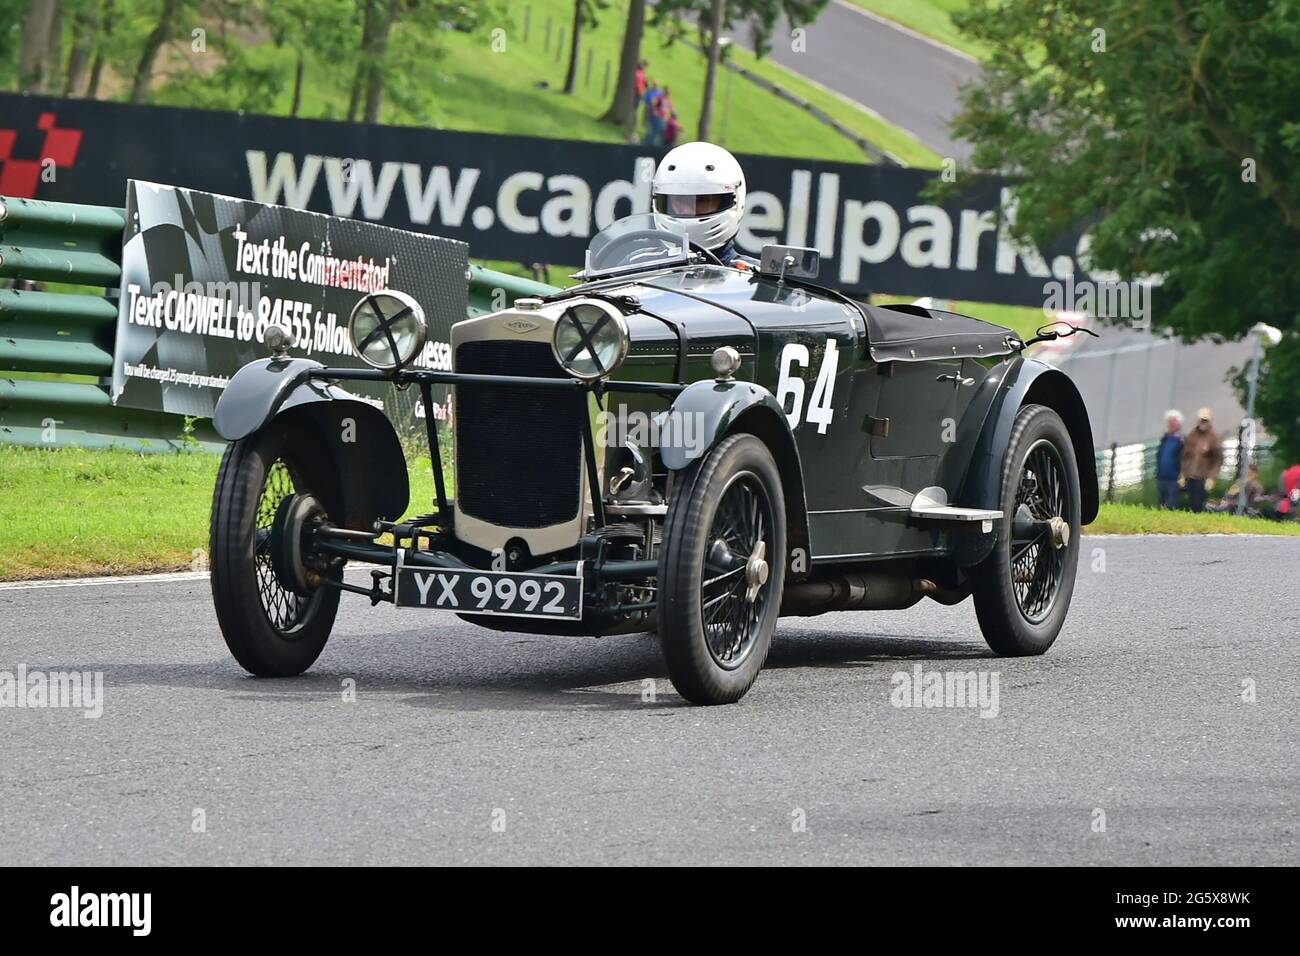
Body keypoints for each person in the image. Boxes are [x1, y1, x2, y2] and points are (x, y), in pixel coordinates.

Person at [651, 141, 756, 268]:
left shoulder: (754, 278)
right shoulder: (638, 265)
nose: (686, 211)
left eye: (701, 201)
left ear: (734, 201)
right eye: (678, 201)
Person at [1180, 406, 1223, 513]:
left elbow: (1218, 460)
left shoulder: (1214, 437)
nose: (1203, 422)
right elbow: (1185, 455)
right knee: (1190, 502)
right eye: (1201, 420)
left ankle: (1199, 524)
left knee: (1198, 504)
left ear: (1209, 421)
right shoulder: (1193, 434)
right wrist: (1182, 474)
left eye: (1205, 420)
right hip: (1190, 475)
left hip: (1203, 477)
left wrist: (1211, 478)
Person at [1155, 409, 1184, 509]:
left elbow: (1185, 459)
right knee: (1161, 504)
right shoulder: (1165, 438)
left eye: (1173, 421)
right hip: (1162, 477)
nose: (1171, 424)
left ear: (1179, 424)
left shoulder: (1182, 440)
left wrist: (1182, 474)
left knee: (1171, 505)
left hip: (1174, 478)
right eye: (1169, 422)